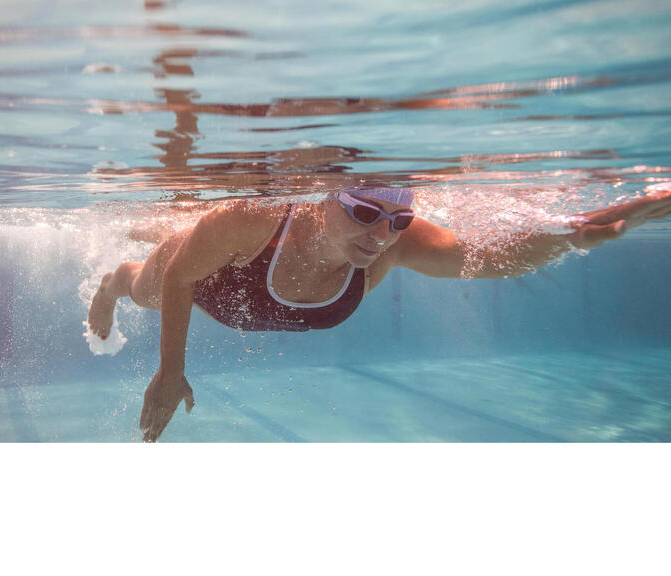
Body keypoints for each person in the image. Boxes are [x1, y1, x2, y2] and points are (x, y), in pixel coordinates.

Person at [86, 184, 671, 442]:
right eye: (366, 211)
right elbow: (186, 276)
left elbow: (487, 258)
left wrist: (575, 236)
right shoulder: (249, 217)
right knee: (148, 289)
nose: (380, 235)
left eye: (396, 220)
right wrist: (169, 370)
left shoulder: (392, 243)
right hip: (203, 278)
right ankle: (114, 279)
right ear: (325, 199)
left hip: (233, 286)